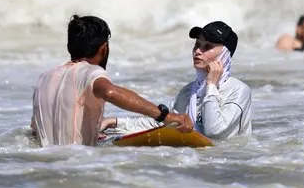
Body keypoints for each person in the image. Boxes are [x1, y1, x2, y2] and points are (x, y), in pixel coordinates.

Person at [30, 14, 193, 147]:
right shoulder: (91, 71)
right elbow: (109, 92)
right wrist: (164, 115)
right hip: (78, 167)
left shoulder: (44, 79)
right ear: (103, 48)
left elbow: (35, 129)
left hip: (48, 168)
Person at [101, 21, 252, 140]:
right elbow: (164, 124)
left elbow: (214, 132)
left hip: (229, 169)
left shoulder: (238, 90)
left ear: (224, 55)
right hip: (198, 166)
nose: (198, 51)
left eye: (207, 47)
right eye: (197, 44)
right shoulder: (188, 92)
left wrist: (211, 86)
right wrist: (114, 122)